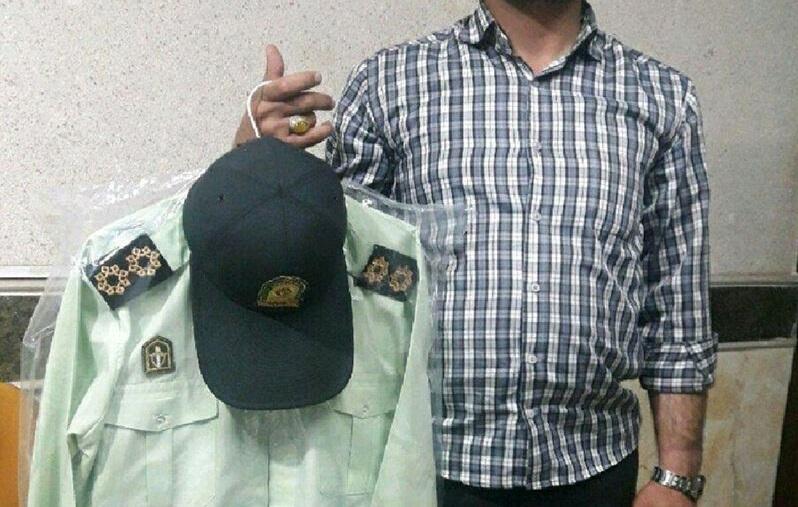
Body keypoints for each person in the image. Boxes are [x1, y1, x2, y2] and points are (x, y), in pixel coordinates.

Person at [233, 1, 716, 505]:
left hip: (595, 466)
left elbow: (677, 296)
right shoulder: (391, 82)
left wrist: (677, 476)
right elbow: (336, 266)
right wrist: (254, 162)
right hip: (422, 466)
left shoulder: (662, 97)